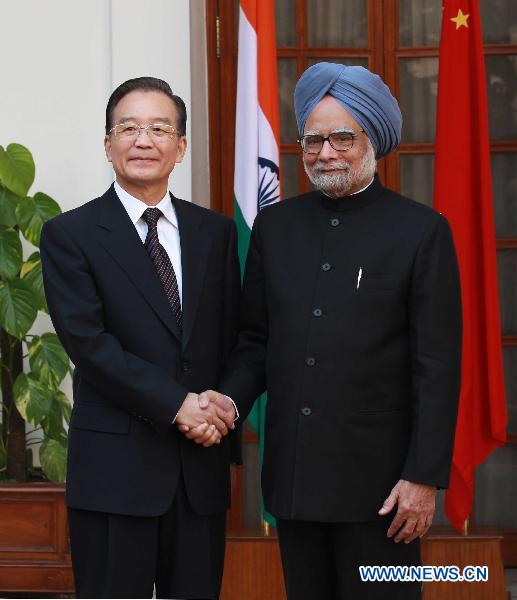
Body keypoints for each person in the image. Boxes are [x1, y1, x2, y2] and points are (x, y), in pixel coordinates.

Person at [185, 63, 462, 599]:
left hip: (384, 490)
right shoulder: (277, 227)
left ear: (372, 141)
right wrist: (226, 400)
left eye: (342, 137)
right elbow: (256, 343)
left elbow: (438, 366)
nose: (325, 152)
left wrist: (424, 477)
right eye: (313, 139)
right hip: (296, 478)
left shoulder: (422, 231)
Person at [40, 76, 239, 599]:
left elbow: (240, 337)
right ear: (108, 144)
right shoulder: (70, 235)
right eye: (128, 128)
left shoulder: (214, 234)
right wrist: (179, 406)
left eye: (159, 128)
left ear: (181, 145)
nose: (143, 140)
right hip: (114, 478)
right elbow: (91, 345)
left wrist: (223, 405)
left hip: (199, 473)